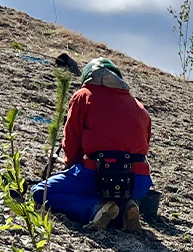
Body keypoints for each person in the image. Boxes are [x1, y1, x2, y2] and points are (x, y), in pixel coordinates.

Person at [32, 58, 154, 232]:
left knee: (39, 192)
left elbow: (72, 142)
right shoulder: (140, 108)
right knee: (114, 189)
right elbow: (144, 147)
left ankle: (97, 210)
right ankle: (126, 206)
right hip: (138, 182)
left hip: (98, 176)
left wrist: (71, 164)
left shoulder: (84, 95)